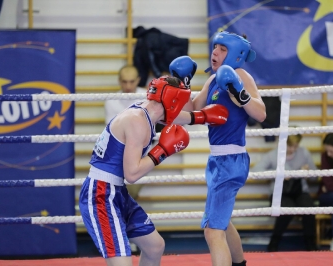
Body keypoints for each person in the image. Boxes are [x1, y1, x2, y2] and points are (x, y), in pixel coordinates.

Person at [79, 73, 229, 266]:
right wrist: (162, 151)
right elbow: (132, 174)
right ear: (173, 102)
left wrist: (201, 117)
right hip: (100, 195)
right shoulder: (136, 122)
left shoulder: (147, 109)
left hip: (116, 191)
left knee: (155, 246)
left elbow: (175, 116)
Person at [186, 31, 266, 266]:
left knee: (212, 231)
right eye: (215, 47)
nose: (215, 52)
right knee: (222, 220)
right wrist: (183, 84)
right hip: (217, 162)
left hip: (232, 160)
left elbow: (261, 113)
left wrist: (241, 97)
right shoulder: (212, 80)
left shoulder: (241, 75)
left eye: (222, 49)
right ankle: (239, 263)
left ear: (236, 54)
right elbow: (193, 108)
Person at [252, 133, 318, 251]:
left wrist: (307, 172)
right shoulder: (273, 155)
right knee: (286, 209)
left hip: (300, 191)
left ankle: (310, 244)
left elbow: (315, 177)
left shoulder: (303, 153)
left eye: (295, 146)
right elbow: (256, 170)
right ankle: (274, 243)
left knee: (309, 208)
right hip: (280, 192)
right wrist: (279, 173)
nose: (292, 149)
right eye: (290, 146)